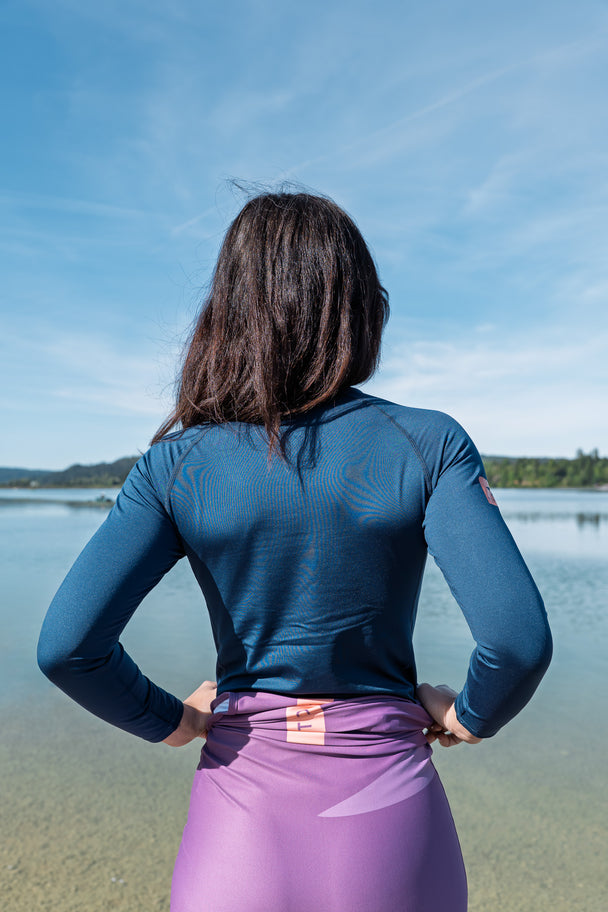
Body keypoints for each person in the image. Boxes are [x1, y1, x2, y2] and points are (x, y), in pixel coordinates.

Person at [38, 191, 552, 912]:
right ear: (356, 307)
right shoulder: (428, 443)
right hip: (389, 811)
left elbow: (69, 649)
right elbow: (517, 643)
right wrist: (470, 713)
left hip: (238, 820)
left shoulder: (177, 466)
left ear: (230, 312)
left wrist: (172, 721)